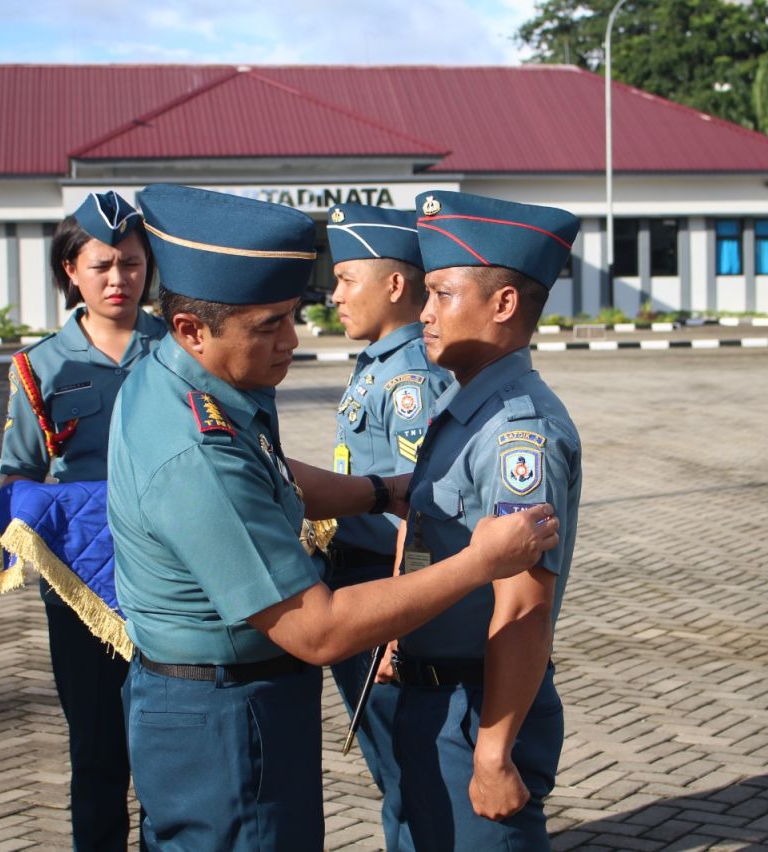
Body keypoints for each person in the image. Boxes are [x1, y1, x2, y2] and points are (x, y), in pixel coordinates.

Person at [106, 183, 560, 851]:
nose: (293, 340)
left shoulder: (190, 380)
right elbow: (317, 631)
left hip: (223, 705)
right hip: (225, 720)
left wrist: (380, 491)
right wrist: (479, 561)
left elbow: (273, 480)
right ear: (191, 329)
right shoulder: (193, 449)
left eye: (292, 315)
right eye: (270, 326)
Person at [379, 191, 583, 850]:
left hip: (474, 712)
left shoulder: (515, 432)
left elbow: (523, 607)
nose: (424, 311)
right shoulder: (464, 404)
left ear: (502, 304)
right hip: (433, 696)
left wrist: (493, 755)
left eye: (441, 294)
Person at [0, 191, 165, 851]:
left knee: (165, 748)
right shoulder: (40, 366)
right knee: (95, 750)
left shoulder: (180, 351)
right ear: (71, 269)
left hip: (171, 577)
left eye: (131, 262)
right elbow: (18, 472)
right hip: (83, 586)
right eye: (102, 266)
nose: (119, 279)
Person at [324, 202, 451, 846]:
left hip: (385, 585)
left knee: (407, 774)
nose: (334, 294)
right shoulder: (377, 361)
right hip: (361, 578)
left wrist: (401, 630)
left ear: (395, 285)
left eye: (347, 278)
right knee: (391, 767)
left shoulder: (408, 379)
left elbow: (417, 511)